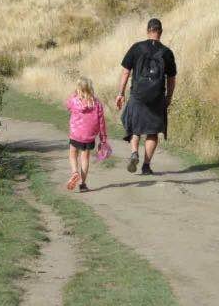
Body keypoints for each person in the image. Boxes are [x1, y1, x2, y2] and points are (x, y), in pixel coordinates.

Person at [115, 18, 177, 176]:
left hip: (138, 95)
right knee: (152, 132)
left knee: (135, 127)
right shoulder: (167, 53)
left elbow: (125, 72)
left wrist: (121, 93)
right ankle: (146, 166)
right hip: (157, 97)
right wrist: (168, 97)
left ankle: (134, 152)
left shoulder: (137, 48)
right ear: (160, 32)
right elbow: (171, 78)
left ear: (148, 30)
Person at [65, 77, 108, 192]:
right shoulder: (97, 103)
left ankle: (75, 172)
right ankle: (83, 184)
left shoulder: (74, 100)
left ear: (78, 89)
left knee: (73, 155)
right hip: (89, 136)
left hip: (75, 134)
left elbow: (67, 105)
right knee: (85, 159)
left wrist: (74, 94)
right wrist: (103, 138)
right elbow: (101, 122)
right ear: (91, 88)